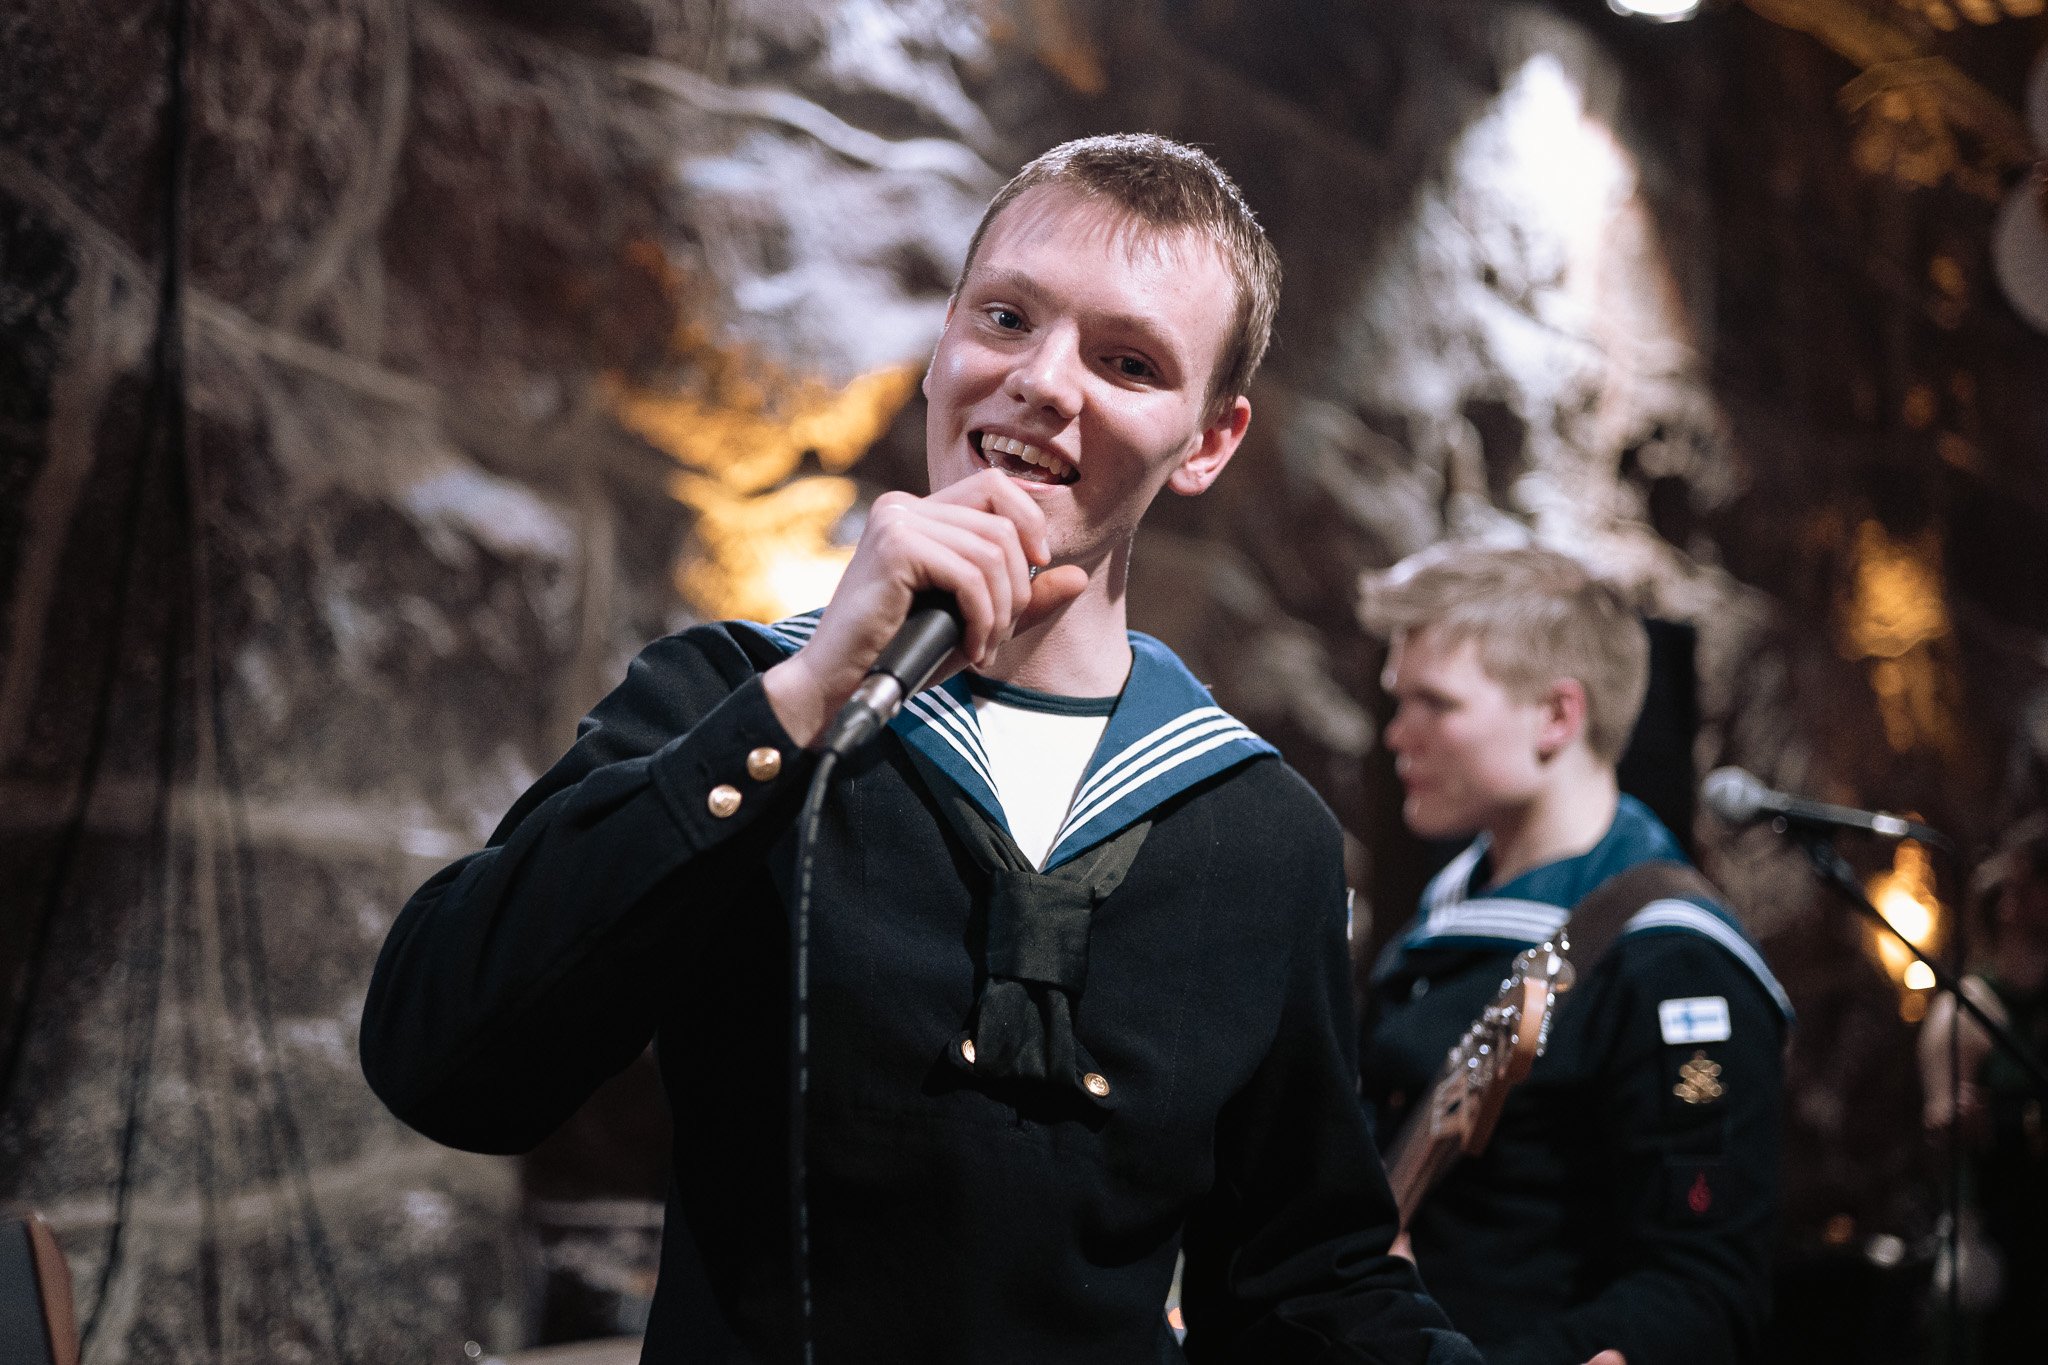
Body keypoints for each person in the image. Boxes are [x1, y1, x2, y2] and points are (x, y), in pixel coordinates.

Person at [361, 134, 1477, 1364]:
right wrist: (805, 698)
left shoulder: (1264, 838)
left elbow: (1302, 1283)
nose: (1043, 381)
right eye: (1005, 317)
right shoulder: (726, 700)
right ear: (944, 343)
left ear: (1206, 442)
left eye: (1126, 361)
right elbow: (441, 1061)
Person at [1356, 544, 1793, 1365]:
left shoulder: (1675, 960)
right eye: (1397, 699)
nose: (1395, 734)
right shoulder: (1447, 912)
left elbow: (1699, 1287)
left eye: (1434, 703)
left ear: (1558, 716)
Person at [1917, 814, 2048, 1361]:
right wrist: (1958, 1123)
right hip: (1998, 1255)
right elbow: (1940, 1135)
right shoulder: (1967, 1011)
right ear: (2015, 898)